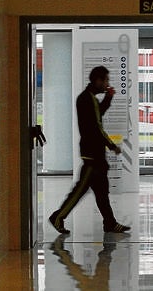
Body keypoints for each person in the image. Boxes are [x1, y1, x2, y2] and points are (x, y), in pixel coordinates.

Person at [49, 66, 131, 234]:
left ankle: (110, 223)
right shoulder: (87, 98)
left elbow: (97, 115)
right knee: (80, 191)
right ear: (98, 81)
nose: (107, 83)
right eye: (106, 80)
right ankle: (58, 217)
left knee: (102, 193)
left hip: (94, 153)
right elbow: (96, 127)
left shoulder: (89, 98)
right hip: (92, 155)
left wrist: (108, 98)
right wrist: (112, 145)